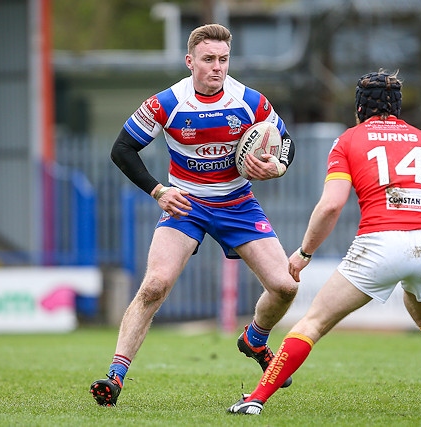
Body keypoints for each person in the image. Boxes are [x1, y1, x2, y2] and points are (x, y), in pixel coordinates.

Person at [228, 69, 421, 415]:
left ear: (359, 108)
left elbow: (331, 205)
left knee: (312, 322)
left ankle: (255, 400)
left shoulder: (348, 141)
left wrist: (304, 253)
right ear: (398, 108)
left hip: (379, 246)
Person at [90, 23, 298, 407]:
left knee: (285, 287)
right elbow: (121, 150)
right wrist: (159, 190)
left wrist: (278, 166)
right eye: (208, 60)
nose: (217, 67)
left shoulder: (250, 101)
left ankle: (255, 339)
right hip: (187, 205)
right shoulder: (166, 103)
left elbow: (285, 142)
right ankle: (115, 376)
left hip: (238, 203)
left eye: (223, 59)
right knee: (155, 284)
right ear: (190, 61)